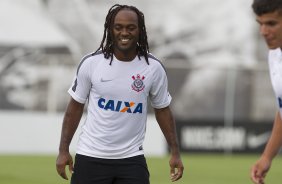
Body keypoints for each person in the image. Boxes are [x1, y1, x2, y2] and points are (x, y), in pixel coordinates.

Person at [56, 4, 184, 184]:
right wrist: (63, 150)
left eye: (131, 27)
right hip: (91, 157)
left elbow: (162, 110)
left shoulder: (153, 68)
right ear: (110, 29)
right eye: (119, 27)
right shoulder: (91, 63)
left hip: (131, 159)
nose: (125, 32)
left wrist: (175, 152)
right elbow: (74, 108)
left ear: (140, 31)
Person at [250, 0, 282, 184]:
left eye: (271, 23)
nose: (263, 32)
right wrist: (267, 157)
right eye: (260, 24)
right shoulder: (275, 56)